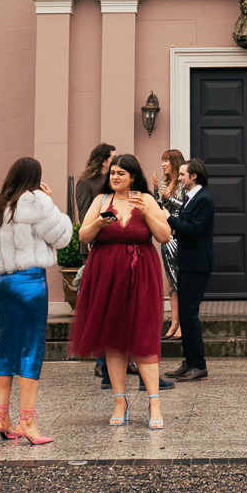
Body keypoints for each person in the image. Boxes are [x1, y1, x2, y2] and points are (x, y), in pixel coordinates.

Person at [68, 152, 174, 429]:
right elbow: (83, 235)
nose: (114, 177)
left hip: (142, 275)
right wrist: (98, 224)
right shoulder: (101, 200)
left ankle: (154, 403)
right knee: (113, 337)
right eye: (112, 173)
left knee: (143, 337)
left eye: (120, 173)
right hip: (106, 276)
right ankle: (119, 401)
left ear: (133, 177)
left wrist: (148, 211)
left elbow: (164, 236)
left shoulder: (147, 199)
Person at [0, 157, 74, 444]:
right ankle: (27, 421)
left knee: (7, 345)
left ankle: (2, 416)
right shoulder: (36, 201)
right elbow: (63, 238)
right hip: (30, 282)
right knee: (31, 348)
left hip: (4, 283)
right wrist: (52, 202)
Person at [164, 159, 216, 382]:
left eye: (183, 174)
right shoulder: (190, 198)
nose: (180, 177)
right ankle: (189, 362)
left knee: (189, 315)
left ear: (194, 176)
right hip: (186, 262)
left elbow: (194, 230)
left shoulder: (203, 199)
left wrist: (170, 219)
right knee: (185, 316)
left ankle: (199, 366)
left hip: (197, 265)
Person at [157, 148, 187, 342]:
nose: (163, 164)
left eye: (166, 160)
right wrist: (157, 192)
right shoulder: (168, 184)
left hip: (177, 238)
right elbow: (162, 208)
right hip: (166, 237)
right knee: (171, 283)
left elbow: (182, 207)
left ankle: (182, 325)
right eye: (162, 160)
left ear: (174, 163)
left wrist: (168, 197)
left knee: (179, 281)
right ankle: (173, 322)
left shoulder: (183, 185)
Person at [74, 143, 117, 221]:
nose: (117, 161)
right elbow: (84, 214)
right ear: (103, 161)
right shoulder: (85, 182)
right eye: (113, 158)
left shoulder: (115, 180)